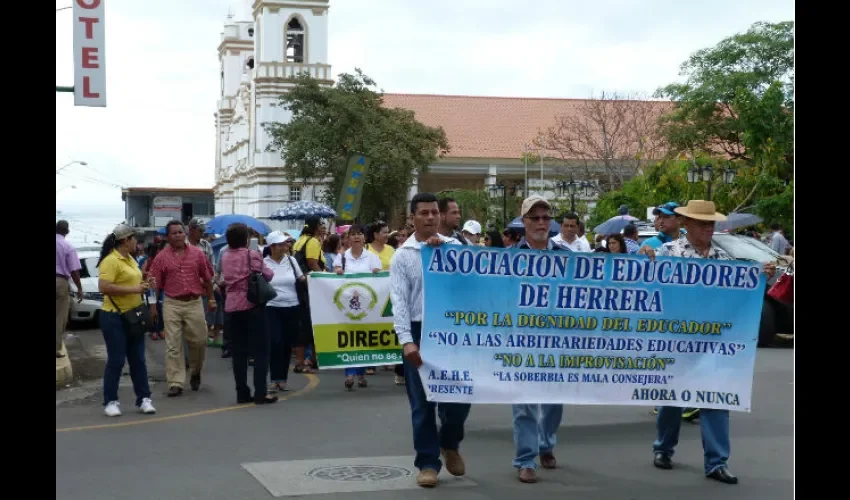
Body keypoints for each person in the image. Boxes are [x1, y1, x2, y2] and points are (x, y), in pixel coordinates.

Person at [648, 199, 775, 485]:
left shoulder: (722, 259)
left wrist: (758, 279)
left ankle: (717, 461)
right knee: (672, 399)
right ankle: (663, 448)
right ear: (687, 223)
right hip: (678, 339)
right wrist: (645, 256)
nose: (708, 228)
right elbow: (649, 284)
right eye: (703, 223)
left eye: (711, 223)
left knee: (717, 397)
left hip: (715, 341)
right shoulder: (669, 252)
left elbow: (740, 292)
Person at [391, 192, 471, 488]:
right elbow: (398, 300)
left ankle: (449, 442)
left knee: (460, 396)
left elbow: (471, 287)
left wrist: (443, 256)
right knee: (422, 402)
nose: (430, 218)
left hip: (454, 330)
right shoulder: (403, 255)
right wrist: (406, 340)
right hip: (419, 329)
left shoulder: (458, 248)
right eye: (423, 213)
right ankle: (427, 462)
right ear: (412, 218)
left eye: (434, 212)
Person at [511, 196, 567, 484]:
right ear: (524, 222)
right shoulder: (507, 259)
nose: (542, 223)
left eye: (546, 217)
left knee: (555, 401)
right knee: (524, 402)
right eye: (535, 218)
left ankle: (546, 443)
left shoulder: (566, 257)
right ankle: (525, 459)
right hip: (521, 340)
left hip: (558, 340)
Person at [148, 221, 216, 398]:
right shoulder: (161, 258)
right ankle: (175, 382)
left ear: (185, 234)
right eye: (174, 233)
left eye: (180, 232)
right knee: (173, 345)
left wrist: (211, 299)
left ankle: (195, 371)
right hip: (172, 303)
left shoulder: (198, 254)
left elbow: (207, 278)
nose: (178, 235)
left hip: (194, 302)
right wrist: (153, 307)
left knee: (200, 341)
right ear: (167, 237)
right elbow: (153, 284)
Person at [96, 224, 156, 417]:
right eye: (134, 239)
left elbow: (132, 282)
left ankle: (144, 398)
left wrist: (144, 284)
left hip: (134, 314)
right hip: (114, 315)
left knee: (138, 359)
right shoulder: (111, 260)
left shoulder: (130, 259)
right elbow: (104, 287)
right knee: (116, 360)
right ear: (125, 240)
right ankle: (111, 401)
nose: (137, 243)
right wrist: (134, 290)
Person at [220, 223, 278, 404]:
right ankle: (260, 392)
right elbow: (268, 275)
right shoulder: (252, 255)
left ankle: (241, 392)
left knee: (239, 353)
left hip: (232, 308)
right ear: (246, 239)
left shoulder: (224, 256)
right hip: (252, 306)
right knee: (261, 351)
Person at [334, 224, 382, 389]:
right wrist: (338, 271)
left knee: (363, 339)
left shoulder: (372, 257)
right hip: (347, 306)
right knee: (350, 339)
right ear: (348, 239)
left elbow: (379, 278)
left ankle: (360, 373)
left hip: (367, 305)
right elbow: (334, 276)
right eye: (352, 234)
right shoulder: (341, 257)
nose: (356, 237)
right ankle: (349, 374)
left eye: (359, 234)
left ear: (364, 237)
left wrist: (377, 273)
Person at [264, 232, 304, 393]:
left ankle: (282, 379)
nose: (285, 247)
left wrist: (316, 277)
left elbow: (301, 279)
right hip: (272, 306)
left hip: (292, 306)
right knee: (276, 342)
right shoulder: (263, 263)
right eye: (281, 244)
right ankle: (274, 379)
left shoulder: (292, 261)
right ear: (272, 247)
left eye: (285, 244)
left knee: (287, 344)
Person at [291, 216, 325, 373]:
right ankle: (303, 361)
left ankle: (310, 359)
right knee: (309, 323)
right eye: (321, 224)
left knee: (304, 323)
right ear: (315, 226)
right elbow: (312, 262)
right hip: (309, 287)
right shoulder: (313, 241)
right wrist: (326, 277)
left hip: (300, 286)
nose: (322, 226)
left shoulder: (300, 240)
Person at [56, 220, 83, 358]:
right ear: (67, 231)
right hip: (60, 281)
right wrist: (79, 288)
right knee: (59, 315)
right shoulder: (67, 246)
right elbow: (74, 270)